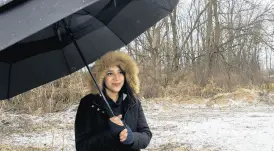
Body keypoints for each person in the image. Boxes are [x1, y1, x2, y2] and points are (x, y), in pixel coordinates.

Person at [74, 51, 152, 151]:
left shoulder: (133, 102)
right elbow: (82, 146)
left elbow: (146, 134)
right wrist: (109, 133)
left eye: (120, 72)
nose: (116, 78)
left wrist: (132, 137)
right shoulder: (88, 104)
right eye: (110, 73)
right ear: (101, 77)